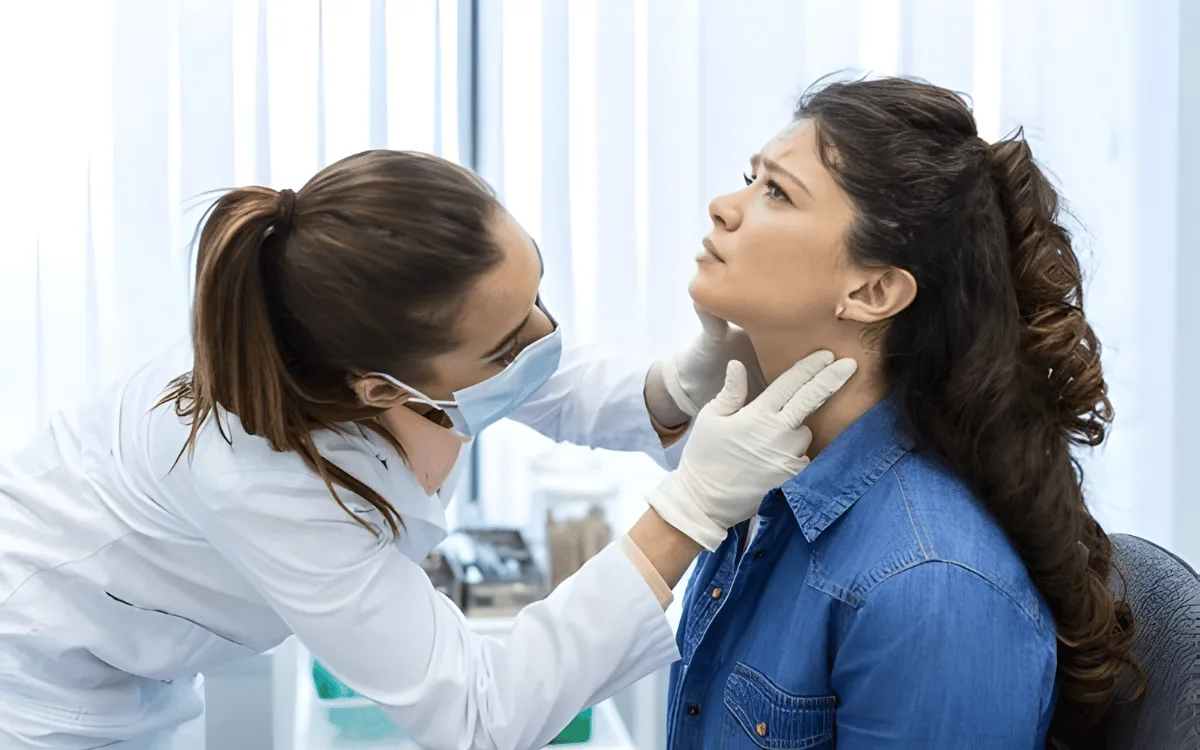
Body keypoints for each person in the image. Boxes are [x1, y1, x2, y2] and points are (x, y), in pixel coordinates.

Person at [0, 149, 856, 749]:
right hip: (43, 693)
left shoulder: (368, 335)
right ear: (378, 390)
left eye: (538, 294)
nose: (547, 336)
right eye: (510, 339)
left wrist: (674, 386)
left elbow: (531, 376)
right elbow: (480, 717)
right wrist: (687, 515)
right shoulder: (257, 477)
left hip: (137, 673)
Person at [668, 77, 1140, 749]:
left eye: (776, 191)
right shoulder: (765, 485)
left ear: (874, 289)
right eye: (750, 179)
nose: (722, 207)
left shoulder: (933, 588)